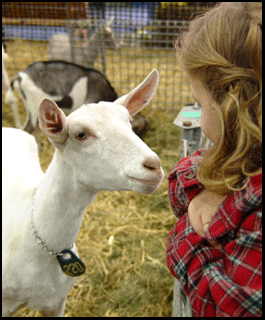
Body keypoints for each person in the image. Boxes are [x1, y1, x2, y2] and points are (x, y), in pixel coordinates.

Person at [166, 2, 262, 317]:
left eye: (199, 104)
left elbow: (221, 305)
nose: (198, 113)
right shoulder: (245, 158)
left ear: (231, 108)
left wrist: (187, 231)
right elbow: (185, 173)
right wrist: (207, 189)